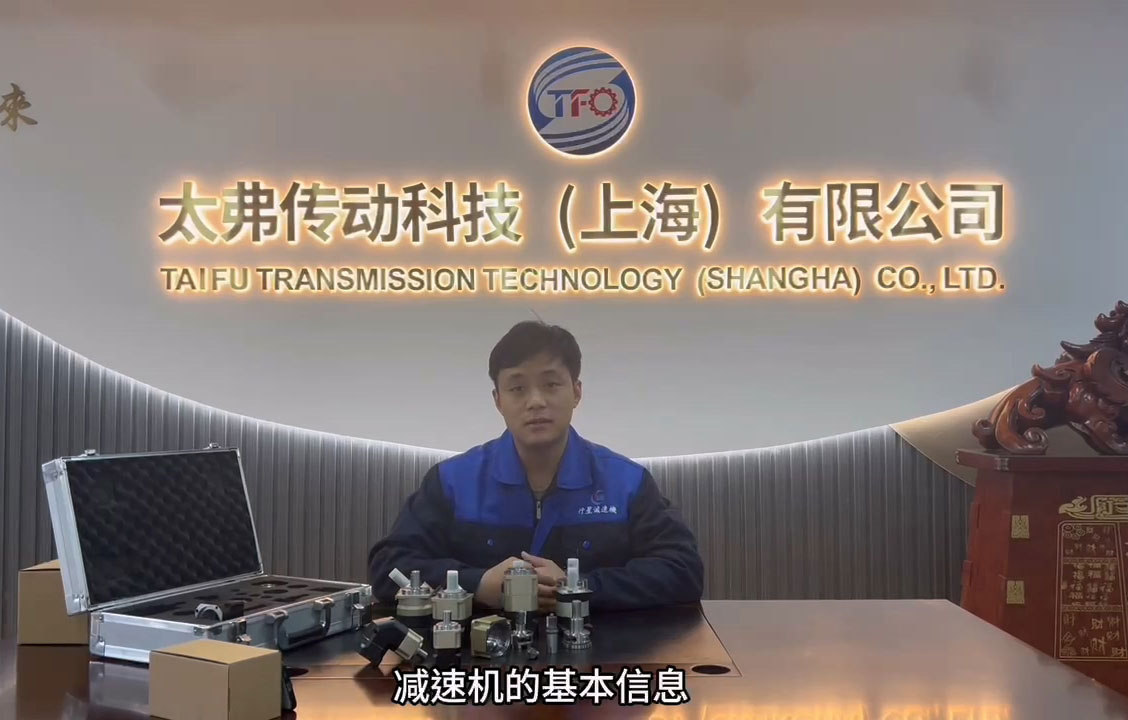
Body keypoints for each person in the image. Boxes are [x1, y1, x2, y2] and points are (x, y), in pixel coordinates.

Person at [368, 320, 704, 612]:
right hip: (477, 657)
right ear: (498, 400)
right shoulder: (452, 481)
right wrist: (476, 584)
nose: (536, 401)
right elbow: (388, 568)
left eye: (551, 384)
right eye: (517, 388)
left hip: (603, 655)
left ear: (576, 392)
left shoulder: (625, 482)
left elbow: (683, 571)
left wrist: (579, 588)